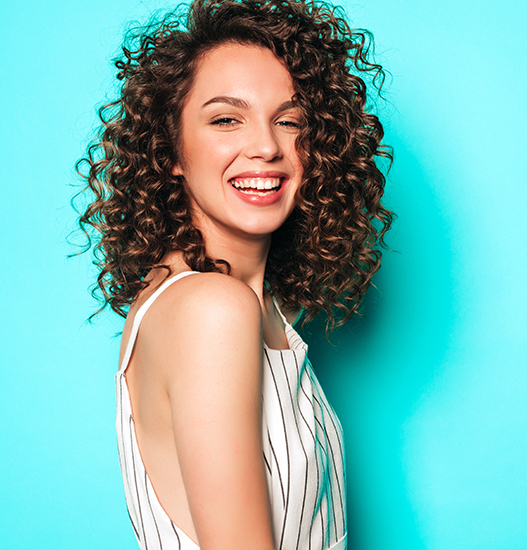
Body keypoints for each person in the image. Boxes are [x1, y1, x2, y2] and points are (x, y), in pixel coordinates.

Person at [76, 0, 393, 548]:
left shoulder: (248, 307)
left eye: (289, 121)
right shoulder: (211, 311)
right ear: (170, 148)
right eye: (226, 119)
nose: (267, 146)